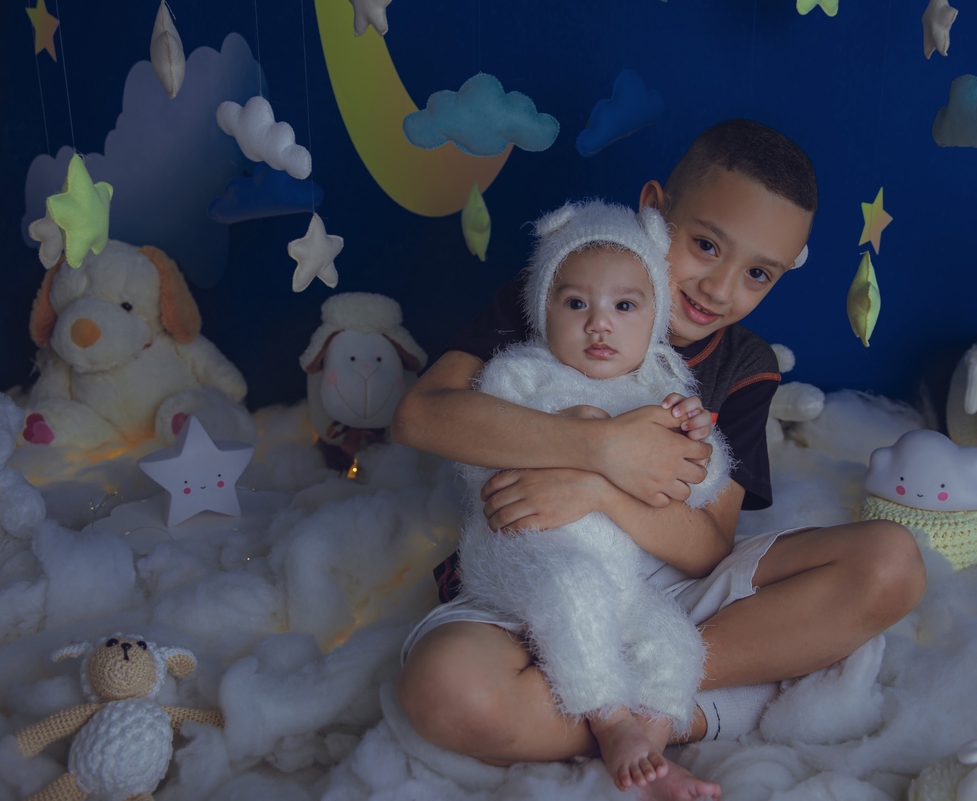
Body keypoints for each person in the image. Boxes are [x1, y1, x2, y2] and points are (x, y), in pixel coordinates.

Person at [393, 119, 927, 801]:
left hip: (672, 596)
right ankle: (698, 710)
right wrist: (599, 447)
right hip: (537, 579)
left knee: (890, 564)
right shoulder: (568, 284)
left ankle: (640, 711)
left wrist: (600, 491)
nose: (720, 288)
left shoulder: (744, 363)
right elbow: (420, 415)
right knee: (445, 692)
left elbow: (708, 550)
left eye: (757, 273)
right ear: (654, 211)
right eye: (705, 245)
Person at [454, 199, 731, 792]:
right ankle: (612, 725)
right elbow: (479, 465)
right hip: (526, 555)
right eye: (576, 303)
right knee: (573, 589)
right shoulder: (520, 374)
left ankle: (651, 757)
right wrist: (568, 436)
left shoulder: (659, 389)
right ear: (543, 309)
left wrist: (698, 444)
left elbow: (698, 487)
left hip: (622, 579)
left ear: (655, 317)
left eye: (624, 306)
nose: (599, 324)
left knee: (676, 643)